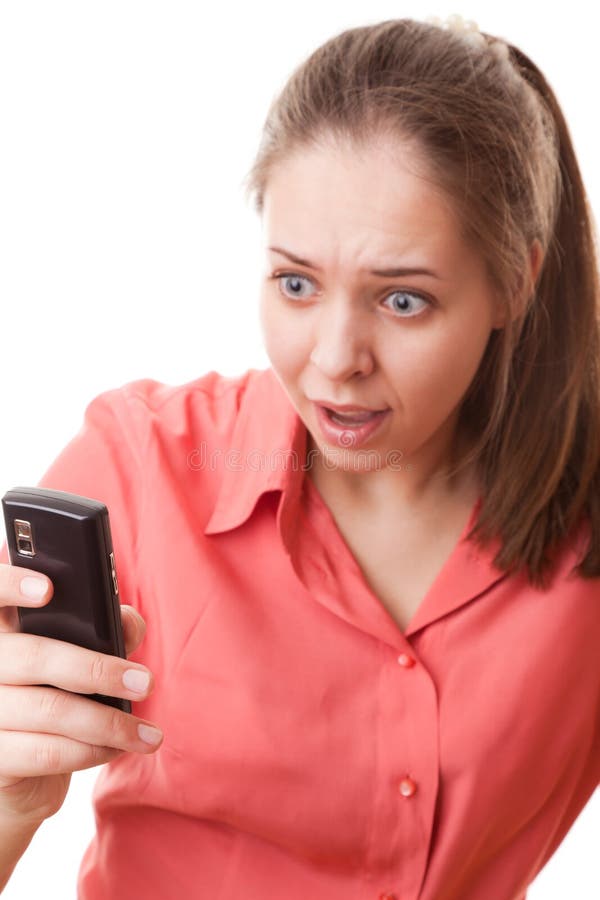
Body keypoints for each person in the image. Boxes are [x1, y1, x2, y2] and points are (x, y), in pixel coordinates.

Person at [0, 13, 599, 900]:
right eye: (295, 283)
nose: (333, 360)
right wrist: (9, 803)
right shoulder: (139, 468)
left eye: (402, 300)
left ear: (515, 281)